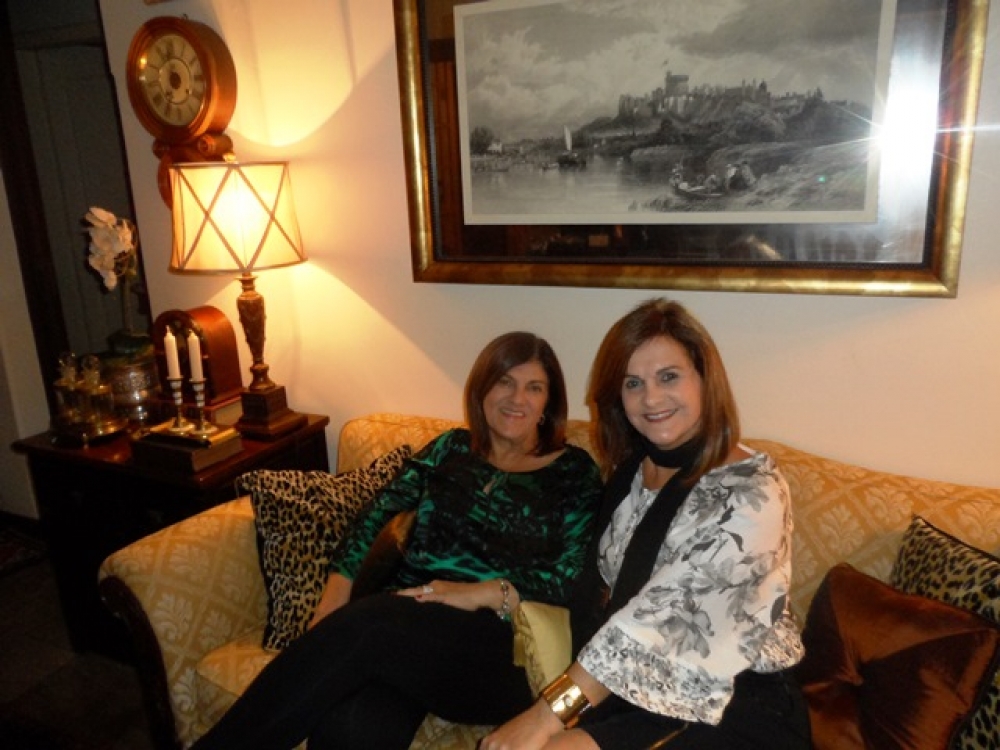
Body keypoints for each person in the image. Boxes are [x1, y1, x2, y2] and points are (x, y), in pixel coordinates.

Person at [190, 332, 603, 750]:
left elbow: (569, 580)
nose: (517, 398)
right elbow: (376, 514)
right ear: (482, 389)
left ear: (549, 403)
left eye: (534, 388)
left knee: (372, 626)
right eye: (505, 382)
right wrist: (333, 601)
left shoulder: (573, 472)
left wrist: (478, 593)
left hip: (501, 646)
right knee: (351, 727)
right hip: (408, 628)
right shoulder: (449, 449)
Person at [482, 299, 811, 750]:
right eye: (633, 383)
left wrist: (548, 714)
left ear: (705, 380)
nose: (651, 398)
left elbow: (659, 618)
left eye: (668, 377)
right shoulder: (633, 473)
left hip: (735, 700)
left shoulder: (751, 491)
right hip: (642, 691)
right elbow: (594, 593)